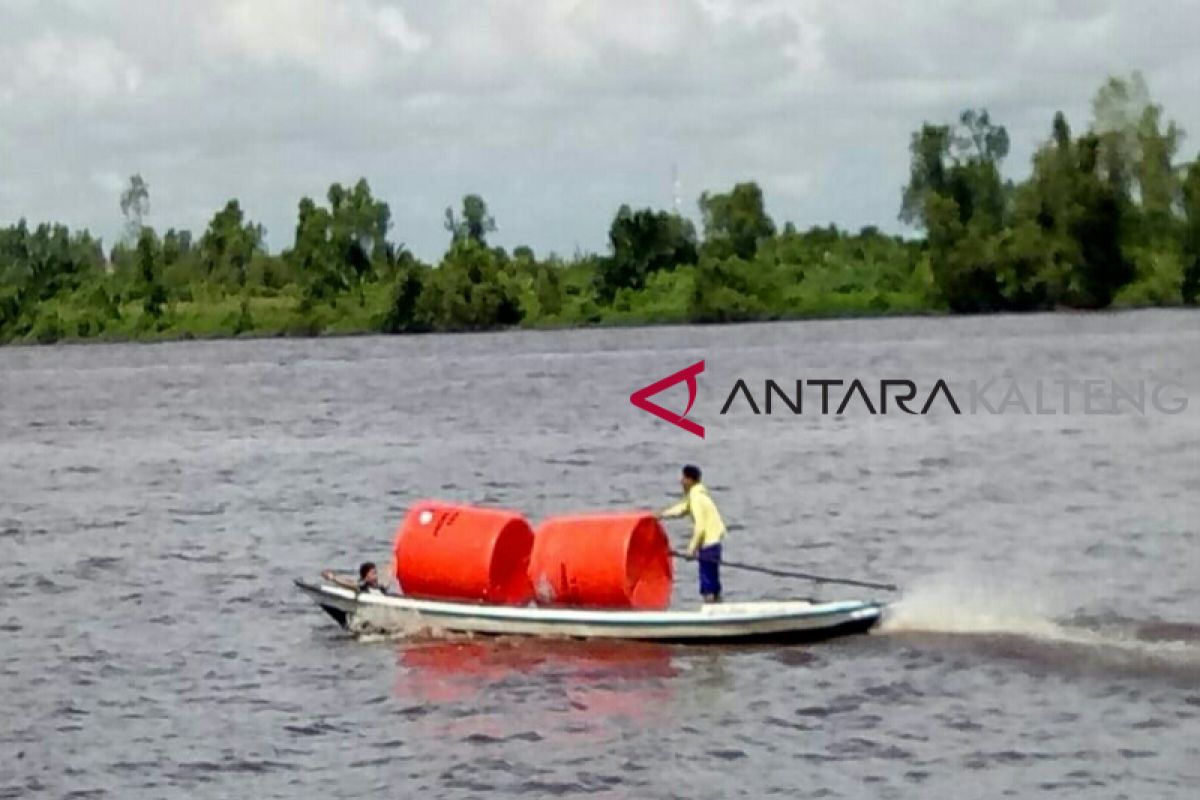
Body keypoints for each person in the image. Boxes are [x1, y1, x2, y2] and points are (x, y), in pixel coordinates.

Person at [657, 464, 727, 603]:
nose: (681, 482)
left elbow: (700, 527)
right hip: (715, 544)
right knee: (714, 582)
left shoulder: (696, 498)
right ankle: (718, 607)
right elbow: (681, 509)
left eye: (683, 478)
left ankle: (711, 612)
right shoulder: (698, 495)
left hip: (708, 546)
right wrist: (661, 515)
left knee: (707, 584)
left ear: (690, 480)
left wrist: (691, 549)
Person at [321, 562, 393, 595]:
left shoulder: (380, 587)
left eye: (376, 573)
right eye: (373, 573)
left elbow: (387, 580)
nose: (376, 576)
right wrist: (333, 578)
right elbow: (347, 584)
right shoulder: (362, 586)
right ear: (366, 576)